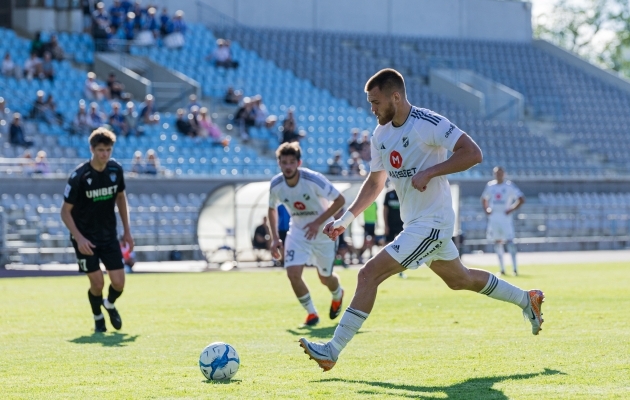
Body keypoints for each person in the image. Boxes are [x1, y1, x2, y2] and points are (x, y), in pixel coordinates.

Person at [298, 68, 545, 372]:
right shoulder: (380, 135)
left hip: (433, 220)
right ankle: (527, 299)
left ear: (396, 97)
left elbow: (473, 153)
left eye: (376, 103)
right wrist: (346, 219)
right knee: (460, 279)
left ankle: (332, 350)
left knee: (368, 274)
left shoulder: (428, 123)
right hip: (416, 222)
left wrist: (430, 171)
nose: (372, 109)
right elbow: (375, 183)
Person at [60, 127, 133, 333]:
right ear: (92, 149)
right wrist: (79, 238)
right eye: (101, 150)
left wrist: (127, 231)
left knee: (118, 283)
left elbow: (120, 197)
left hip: (109, 234)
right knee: (98, 283)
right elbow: (65, 212)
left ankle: (108, 304)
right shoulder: (79, 176)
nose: (105, 154)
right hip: (85, 238)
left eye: (108, 150)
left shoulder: (115, 170)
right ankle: (98, 317)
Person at [268, 142, 346, 327]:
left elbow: (340, 201)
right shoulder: (276, 184)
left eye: (291, 162)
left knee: (325, 278)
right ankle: (311, 313)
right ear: (279, 163)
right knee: (293, 273)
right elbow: (271, 209)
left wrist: (318, 222)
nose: (288, 166)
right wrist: (274, 239)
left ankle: (338, 294)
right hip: (298, 232)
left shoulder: (313, 179)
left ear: (299, 163)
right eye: (284, 162)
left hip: (324, 233)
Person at [481, 166, 525, 276]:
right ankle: (502, 269)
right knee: (497, 242)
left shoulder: (509, 186)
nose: (498, 175)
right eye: (496, 173)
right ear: (494, 174)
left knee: (510, 243)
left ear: (504, 174)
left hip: (505, 219)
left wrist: (511, 209)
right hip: (494, 218)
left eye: (500, 173)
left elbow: (521, 199)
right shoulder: (490, 186)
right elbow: (484, 198)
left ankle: (515, 269)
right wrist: (487, 209)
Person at [383, 185, 405, 278]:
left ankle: (400, 269)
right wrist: (386, 225)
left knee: (402, 247)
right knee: (388, 246)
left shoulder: (404, 193)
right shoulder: (389, 194)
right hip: (391, 225)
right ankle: (386, 267)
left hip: (402, 225)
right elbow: (385, 210)